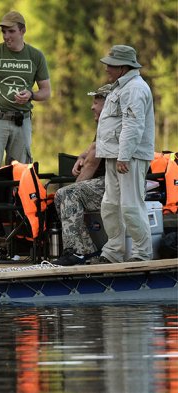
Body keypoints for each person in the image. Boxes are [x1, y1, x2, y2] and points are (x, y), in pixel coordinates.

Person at [0, 11, 50, 177]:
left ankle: (19, 203)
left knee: (22, 172)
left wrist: (31, 95)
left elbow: (46, 91)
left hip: (22, 121)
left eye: (11, 31)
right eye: (3, 32)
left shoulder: (35, 56)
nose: (6, 36)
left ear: (22, 31)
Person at [95, 45, 155, 263]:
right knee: (110, 205)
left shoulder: (135, 89)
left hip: (129, 157)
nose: (106, 69)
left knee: (131, 206)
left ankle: (141, 254)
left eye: (110, 65)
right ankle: (113, 252)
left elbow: (133, 124)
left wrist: (124, 156)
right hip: (115, 156)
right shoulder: (120, 87)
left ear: (122, 67)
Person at [52, 84, 112, 266]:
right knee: (60, 195)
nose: (92, 107)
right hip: (107, 182)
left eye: (96, 102)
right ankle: (87, 251)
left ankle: (78, 252)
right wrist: (81, 156)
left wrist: (75, 186)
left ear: (108, 104)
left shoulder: (110, 123)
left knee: (68, 194)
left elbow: (93, 161)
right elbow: (92, 150)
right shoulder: (105, 124)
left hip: (116, 182)